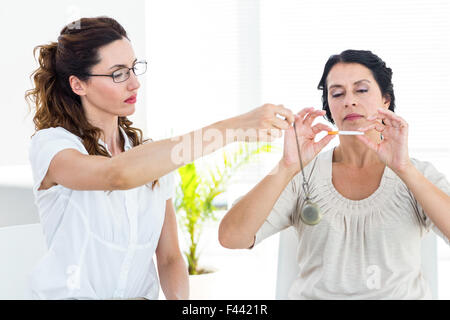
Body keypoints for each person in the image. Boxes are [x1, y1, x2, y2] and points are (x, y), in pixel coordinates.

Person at [25, 16, 295, 300]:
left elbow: (168, 258)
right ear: (78, 84)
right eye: (118, 74)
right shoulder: (53, 146)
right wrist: (236, 127)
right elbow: (116, 175)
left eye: (133, 69)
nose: (134, 84)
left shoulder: (150, 157)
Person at [218, 49, 450, 299]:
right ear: (328, 107)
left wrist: (404, 169)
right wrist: (286, 166)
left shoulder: (417, 173)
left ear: (386, 99)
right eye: (337, 93)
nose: (349, 100)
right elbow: (232, 237)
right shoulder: (302, 175)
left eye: (361, 90)